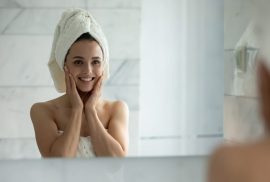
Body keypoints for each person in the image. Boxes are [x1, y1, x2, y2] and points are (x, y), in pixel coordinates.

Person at [30, 8, 129, 158]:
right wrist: (77, 109)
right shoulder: (43, 111)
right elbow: (59, 163)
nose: (88, 71)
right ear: (65, 65)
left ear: (104, 65)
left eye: (95, 62)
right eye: (78, 62)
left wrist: (90, 110)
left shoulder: (117, 109)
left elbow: (116, 164)